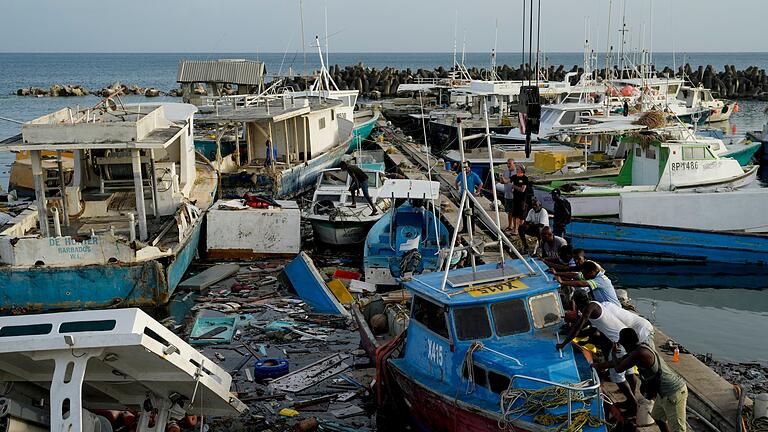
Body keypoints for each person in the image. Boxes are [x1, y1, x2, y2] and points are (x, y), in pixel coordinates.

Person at [556, 294, 638, 415]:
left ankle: (633, 404)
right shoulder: (596, 305)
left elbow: (578, 327)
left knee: (617, 376)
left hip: (619, 343)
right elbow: (585, 326)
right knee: (630, 372)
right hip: (627, 341)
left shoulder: (590, 308)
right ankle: (632, 400)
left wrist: (563, 344)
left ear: (579, 304)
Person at [595, 328, 688, 432]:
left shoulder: (640, 353)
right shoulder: (637, 349)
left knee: (678, 428)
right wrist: (597, 366)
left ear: (627, 342)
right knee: (658, 418)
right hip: (662, 393)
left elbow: (618, 368)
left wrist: (613, 353)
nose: (621, 345)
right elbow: (619, 362)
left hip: (673, 391)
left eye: (622, 342)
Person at [556, 260, 621, 307]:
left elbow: (581, 284)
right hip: (605, 307)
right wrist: (556, 273)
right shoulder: (592, 276)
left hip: (613, 308)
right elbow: (575, 275)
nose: (583, 276)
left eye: (584, 274)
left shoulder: (601, 279)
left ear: (592, 272)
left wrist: (562, 282)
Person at [509, 165, 531, 232]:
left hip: (522, 200)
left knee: (521, 216)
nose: (516, 170)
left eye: (518, 169)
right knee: (514, 215)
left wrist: (514, 186)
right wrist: (502, 178)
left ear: (521, 170)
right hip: (515, 199)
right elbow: (507, 180)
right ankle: (515, 229)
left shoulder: (525, 178)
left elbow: (522, 189)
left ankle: (520, 229)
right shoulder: (515, 177)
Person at [499, 158, 517, 232]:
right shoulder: (505, 172)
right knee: (509, 212)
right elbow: (503, 182)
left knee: (515, 212)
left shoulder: (516, 173)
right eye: (507, 163)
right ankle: (510, 225)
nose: (508, 165)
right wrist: (501, 178)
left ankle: (515, 227)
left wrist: (505, 180)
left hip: (514, 196)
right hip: (507, 194)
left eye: (510, 163)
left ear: (514, 164)